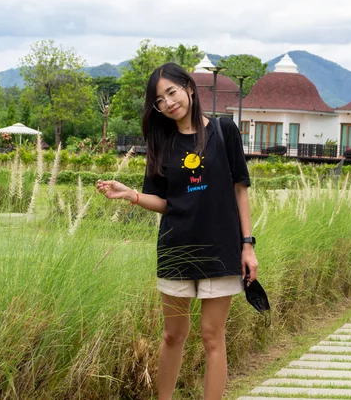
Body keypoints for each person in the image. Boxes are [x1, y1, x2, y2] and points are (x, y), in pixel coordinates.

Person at [96, 62, 258, 400]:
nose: (169, 102)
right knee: (173, 335)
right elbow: (168, 202)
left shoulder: (224, 131)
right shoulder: (162, 144)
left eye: (172, 92)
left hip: (220, 247)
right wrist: (132, 195)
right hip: (176, 248)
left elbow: (240, 189)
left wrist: (248, 245)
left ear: (189, 87)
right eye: (160, 100)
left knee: (213, 337)